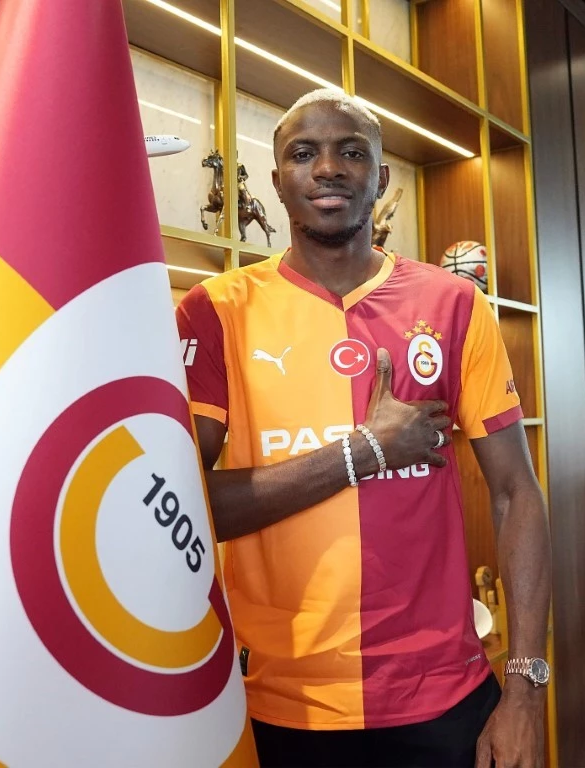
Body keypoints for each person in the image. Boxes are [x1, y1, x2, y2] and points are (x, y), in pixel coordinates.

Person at [175, 88, 552, 768]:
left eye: (352, 152)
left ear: (380, 179)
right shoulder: (215, 310)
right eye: (304, 154)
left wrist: (524, 691)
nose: (328, 168)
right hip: (275, 704)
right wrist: (366, 451)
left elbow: (516, 493)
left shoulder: (454, 303)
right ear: (277, 181)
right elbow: (187, 506)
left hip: (443, 696)